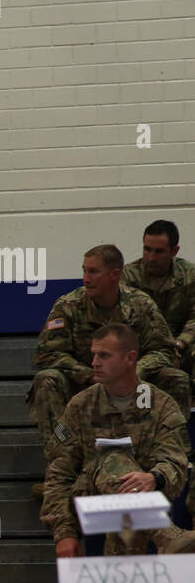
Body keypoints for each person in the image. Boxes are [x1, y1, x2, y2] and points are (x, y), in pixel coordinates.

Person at [29, 244, 188, 498]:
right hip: (84, 383)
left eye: (93, 272)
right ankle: (60, 471)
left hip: (132, 383)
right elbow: (48, 354)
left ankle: (172, 464)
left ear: (115, 275)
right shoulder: (68, 306)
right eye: (84, 271)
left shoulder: (139, 304)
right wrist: (87, 374)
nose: (86, 278)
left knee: (176, 379)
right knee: (46, 380)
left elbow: (164, 349)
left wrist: (132, 371)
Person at [41, 323, 195, 557]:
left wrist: (153, 477)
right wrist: (65, 533)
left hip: (142, 500)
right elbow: (59, 473)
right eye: (93, 355)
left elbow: (174, 462)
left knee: (126, 555)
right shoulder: (80, 406)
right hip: (93, 502)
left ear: (130, 358)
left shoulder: (161, 404)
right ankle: (165, 533)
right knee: (114, 460)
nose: (94, 363)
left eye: (103, 355)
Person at [120, 220, 195, 374]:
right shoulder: (128, 277)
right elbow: (124, 321)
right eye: (147, 249)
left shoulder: (190, 275)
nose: (151, 257)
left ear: (174, 251)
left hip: (182, 343)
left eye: (159, 251)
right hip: (144, 346)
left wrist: (181, 342)